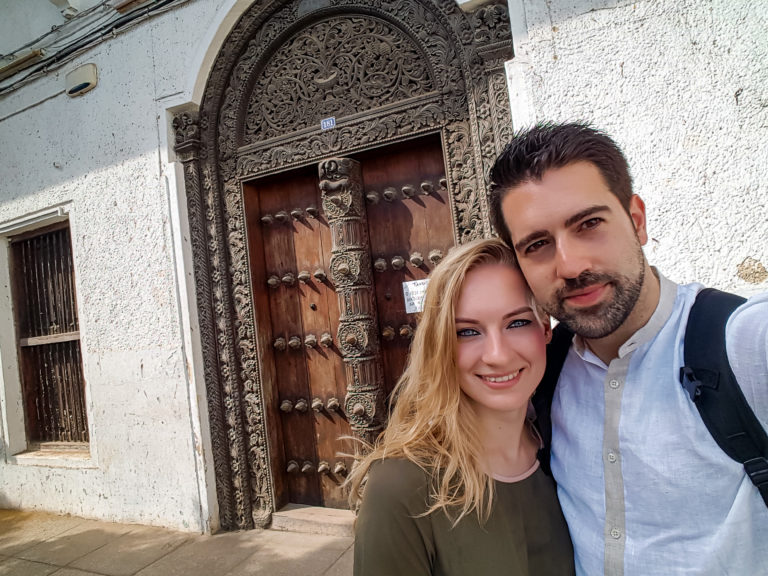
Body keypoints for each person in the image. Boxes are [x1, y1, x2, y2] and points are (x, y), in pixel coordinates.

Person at [488, 121, 768, 575]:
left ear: (636, 220)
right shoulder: (540, 370)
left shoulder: (742, 342)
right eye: (537, 244)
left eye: (589, 224)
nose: (571, 265)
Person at [347, 238, 574, 576]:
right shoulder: (401, 489)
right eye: (467, 331)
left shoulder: (567, 449)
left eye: (517, 323)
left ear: (545, 328)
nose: (497, 355)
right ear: (441, 345)